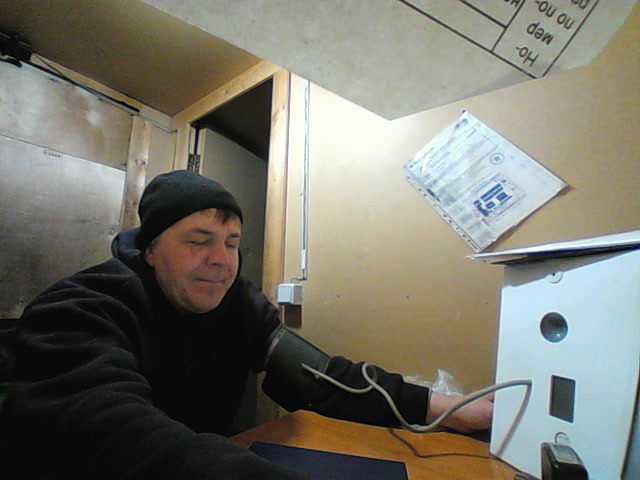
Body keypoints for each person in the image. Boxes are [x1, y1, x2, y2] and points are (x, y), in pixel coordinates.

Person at [0, 170, 493, 479]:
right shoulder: (82, 307)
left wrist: (445, 408)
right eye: (199, 241)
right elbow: (116, 436)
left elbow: (321, 378)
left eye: (232, 243)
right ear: (150, 249)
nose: (222, 260)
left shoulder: (240, 306)